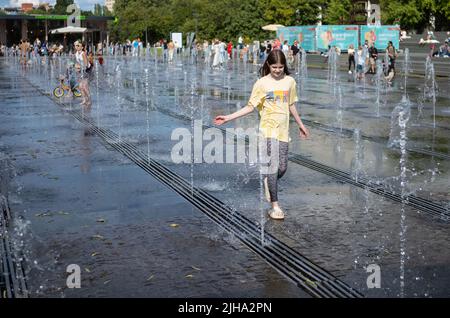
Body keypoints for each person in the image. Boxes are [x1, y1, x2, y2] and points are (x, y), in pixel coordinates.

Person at [213, 50, 310, 220]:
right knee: (272, 168)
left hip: (283, 131)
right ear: (268, 65)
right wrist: (228, 117)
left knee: (282, 168)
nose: (278, 70)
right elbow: (250, 106)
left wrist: (301, 125)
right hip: (267, 131)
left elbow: (291, 104)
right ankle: (275, 206)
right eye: (274, 67)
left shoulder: (290, 81)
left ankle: (268, 181)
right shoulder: (261, 83)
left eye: (280, 67)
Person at [74, 40, 92, 107]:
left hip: (87, 70)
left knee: (85, 86)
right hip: (81, 70)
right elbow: (78, 62)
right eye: (76, 45)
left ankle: (89, 100)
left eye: (78, 46)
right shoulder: (76, 53)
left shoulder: (83, 53)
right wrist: (75, 66)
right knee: (80, 86)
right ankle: (84, 100)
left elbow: (86, 64)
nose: (77, 47)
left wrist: (79, 67)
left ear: (82, 47)